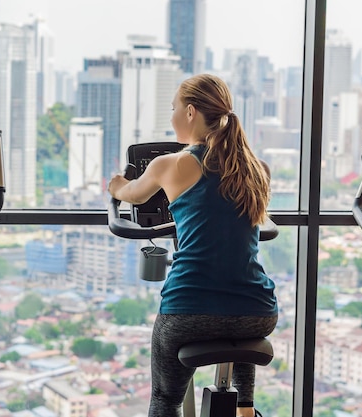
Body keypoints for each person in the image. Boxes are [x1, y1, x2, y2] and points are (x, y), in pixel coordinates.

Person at [108, 73, 278, 417]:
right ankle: (245, 408)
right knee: (236, 321)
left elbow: (130, 193)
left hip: (189, 310)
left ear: (190, 112)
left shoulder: (171, 164)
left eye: (173, 108)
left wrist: (115, 185)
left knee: (165, 399)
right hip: (259, 312)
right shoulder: (257, 169)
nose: (171, 117)